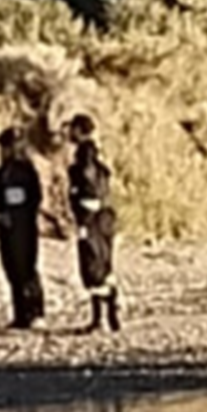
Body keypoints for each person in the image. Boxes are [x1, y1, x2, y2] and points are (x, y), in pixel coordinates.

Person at [65, 114, 121, 333]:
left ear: (79, 130)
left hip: (93, 219)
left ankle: (102, 317)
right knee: (104, 265)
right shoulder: (98, 155)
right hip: (105, 218)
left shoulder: (85, 156)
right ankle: (111, 314)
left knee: (92, 266)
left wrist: (83, 218)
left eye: (73, 129)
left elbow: (89, 187)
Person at [0, 126, 45, 330]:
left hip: (24, 226)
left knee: (27, 268)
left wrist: (19, 214)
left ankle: (35, 312)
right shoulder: (2, 171)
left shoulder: (27, 170)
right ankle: (20, 314)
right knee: (12, 269)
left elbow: (35, 198)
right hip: (8, 228)